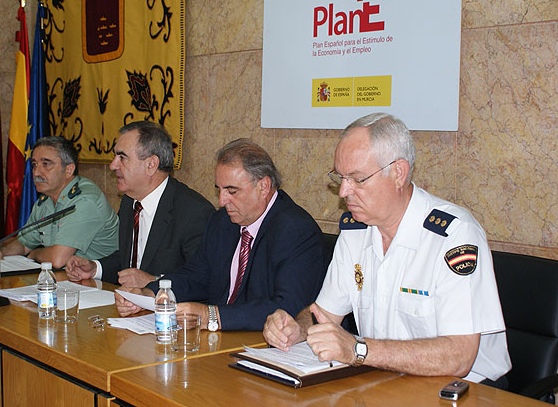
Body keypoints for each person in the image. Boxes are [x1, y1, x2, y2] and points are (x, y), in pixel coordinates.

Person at [263, 113, 511, 385]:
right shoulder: (356, 232)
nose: (344, 191)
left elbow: (459, 357)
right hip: (385, 381)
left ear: (398, 173)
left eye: (358, 179)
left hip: (462, 391)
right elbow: (323, 315)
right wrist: (296, 329)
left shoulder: (454, 236)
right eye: (340, 177)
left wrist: (358, 350)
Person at [115, 139, 329, 331]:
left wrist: (212, 316)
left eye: (232, 191)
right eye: (219, 190)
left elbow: (287, 307)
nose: (222, 201)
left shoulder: (296, 230)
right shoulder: (223, 221)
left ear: (263, 186)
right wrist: (150, 294)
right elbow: (196, 275)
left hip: (266, 346)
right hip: (219, 342)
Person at [65, 121, 215, 286]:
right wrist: (95, 268)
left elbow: (203, 280)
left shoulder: (194, 212)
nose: (113, 165)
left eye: (122, 158)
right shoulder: (130, 201)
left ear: (151, 165)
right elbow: (130, 262)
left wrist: (154, 281)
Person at [0, 136, 119, 269]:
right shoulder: (45, 201)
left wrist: (35, 253)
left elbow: (58, 259)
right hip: (65, 280)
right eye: (34, 165)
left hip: (99, 283)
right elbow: (23, 244)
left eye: (46, 164)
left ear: (69, 169)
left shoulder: (84, 201)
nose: (37, 172)